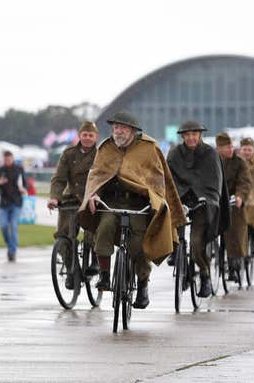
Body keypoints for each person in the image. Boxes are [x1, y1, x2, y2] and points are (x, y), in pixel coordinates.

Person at [78, 111, 186, 309]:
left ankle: (143, 286)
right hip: (112, 203)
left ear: (133, 131)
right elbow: (97, 175)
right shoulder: (107, 147)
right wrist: (94, 194)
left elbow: (158, 179)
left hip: (139, 204)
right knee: (104, 229)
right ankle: (104, 275)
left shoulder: (149, 148)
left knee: (138, 245)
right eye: (115, 127)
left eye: (122, 128)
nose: (118, 131)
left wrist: (155, 201)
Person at [166, 121, 230, 297]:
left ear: (200, 135)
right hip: (181, 201)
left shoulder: (210, 154)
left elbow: (214, 181)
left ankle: (205, 275)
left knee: (196, 244)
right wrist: (174, 196)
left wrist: (208, 198)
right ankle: (175, 253)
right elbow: (168, 178)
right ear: (182, 137)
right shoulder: (174, 154)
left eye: (194, 134)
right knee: (169, 228)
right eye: (187, 135)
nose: (191, 138)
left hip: (203, 203)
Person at [47, 120, 100, 288]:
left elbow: (104, 178)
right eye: (84, 134)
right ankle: (72, 269)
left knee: (93, 232)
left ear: (96, 137)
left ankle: (95, 260)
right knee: (62, 236)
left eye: (91, 135)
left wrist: (97, 195)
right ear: (79, 135)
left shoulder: (101, 155)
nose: (87, 138)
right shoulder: (69, 154)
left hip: (91, 199)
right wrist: (54, 197)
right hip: (70, 200)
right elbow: (59, 178)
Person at [216, 132, 252, 281]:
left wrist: (240, 197)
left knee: (235, 230)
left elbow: (244, 182)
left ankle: (234, 265)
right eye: (226, 147)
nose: (230, 149)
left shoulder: (239, 162)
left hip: (233, 201)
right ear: (218, 148)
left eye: (231, 146)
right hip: (216, 200)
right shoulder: (213, 161)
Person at [0, 150, 27, 261]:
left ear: (12, 158)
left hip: (16, 202)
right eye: (6, 159)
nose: (8, 161)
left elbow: (25, 184)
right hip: (4, 203)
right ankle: (10, 245)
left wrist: (23, 189)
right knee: (3, 226)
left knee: (14, 227)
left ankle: (12, 252)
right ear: (4, 160)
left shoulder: (19, 169)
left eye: (10, 159)